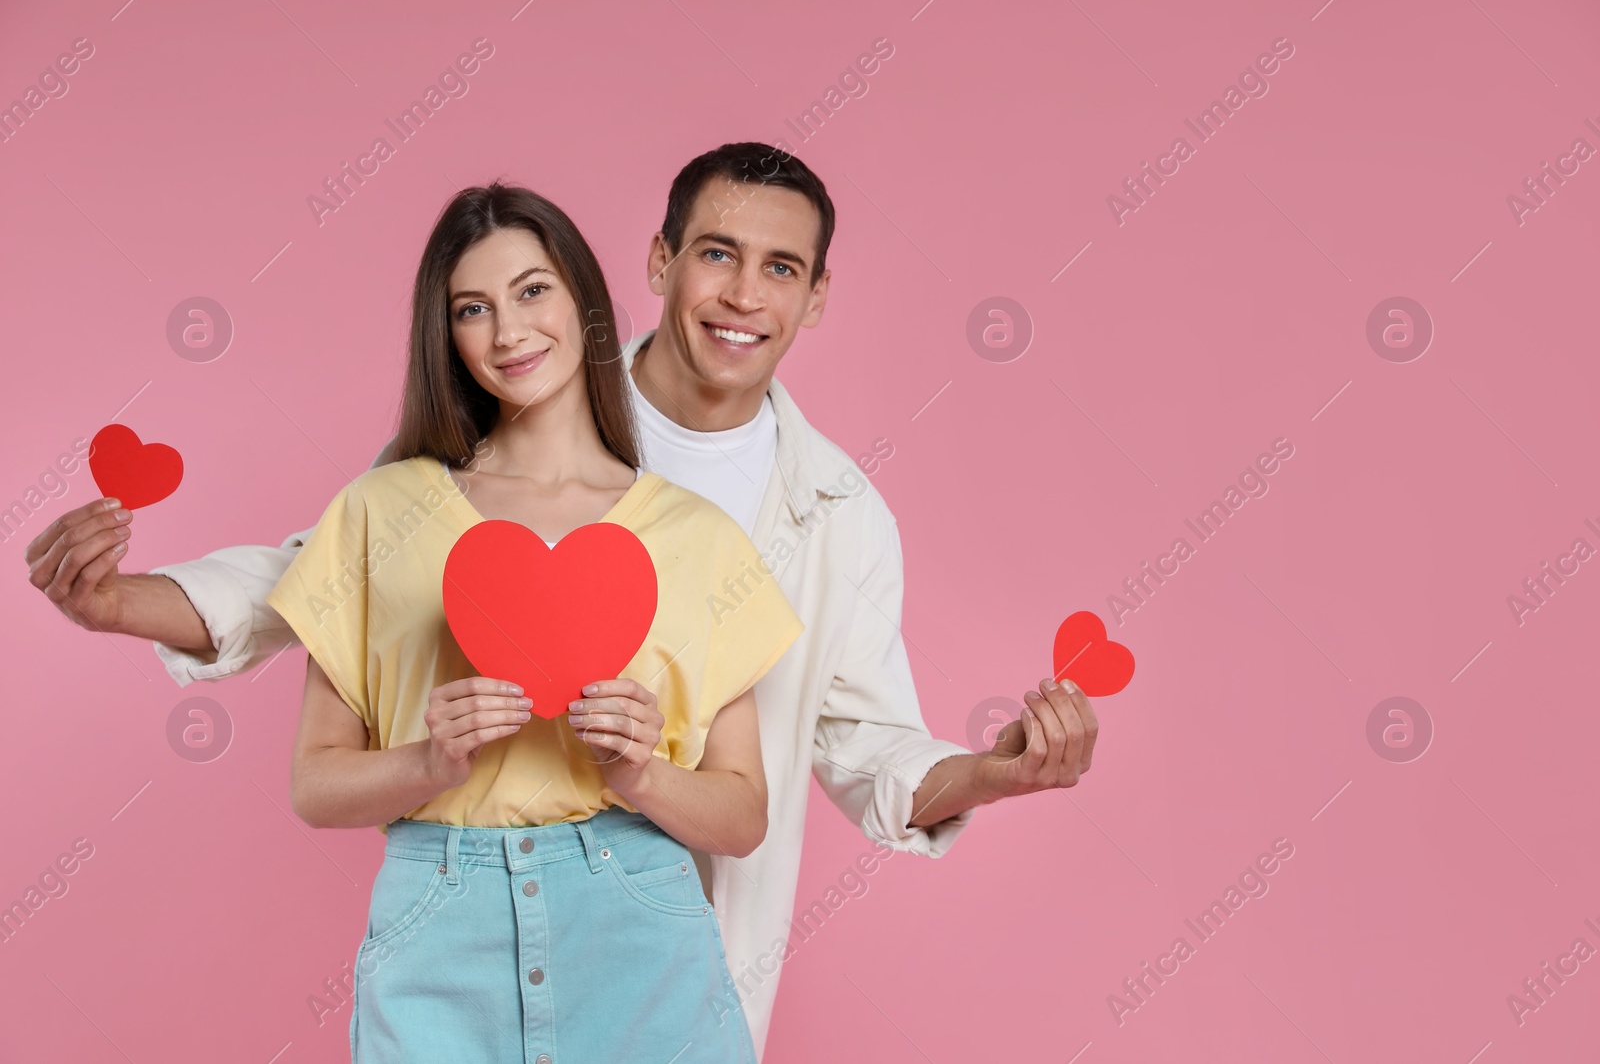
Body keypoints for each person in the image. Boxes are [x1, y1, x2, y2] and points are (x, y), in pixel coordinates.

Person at [25, 143, 1099, 1059]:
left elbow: (860, 746)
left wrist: (993, 772)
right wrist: (123, 602)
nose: (741, 294)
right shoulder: (428, 479)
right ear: (657, 265)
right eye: (717, 254)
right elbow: (310, 585)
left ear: (815, 294)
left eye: (780, 267)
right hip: (442, 901)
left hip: (659, 908)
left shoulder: (798, 519)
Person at [266, 181, 798, 1060]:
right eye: (472, 308)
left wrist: (642, 772)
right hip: (438, 917)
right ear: (446, 334)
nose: (509, 333)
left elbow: (743, 816)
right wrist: (428, 761)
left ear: (584, 299)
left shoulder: (696, 537)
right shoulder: (377, 511)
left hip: (638, 921)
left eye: (532, 290)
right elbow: (314, 786)